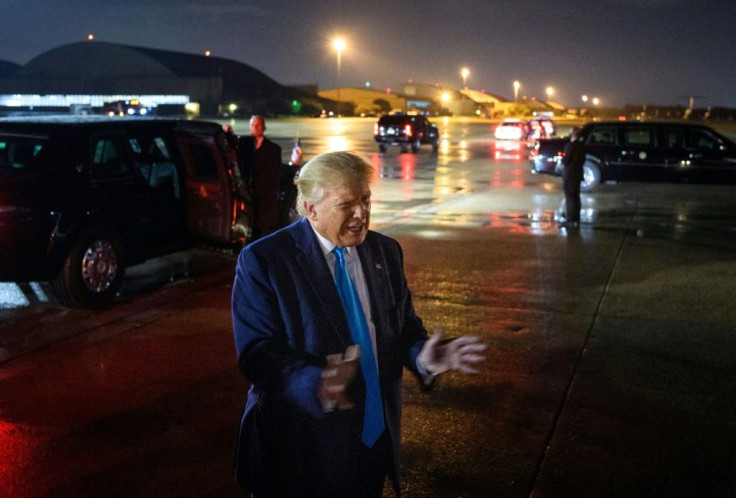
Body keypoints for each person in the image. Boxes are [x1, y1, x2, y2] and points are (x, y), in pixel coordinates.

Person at [231, 151, 486, 497]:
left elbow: (404, 328)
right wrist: (318, 382)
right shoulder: (265, 261)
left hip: (373, 442)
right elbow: (258, 354)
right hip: (300, 451)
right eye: (346, 204)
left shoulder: (385, 252)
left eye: (365, 200)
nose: (361, 213)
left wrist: (424, 356)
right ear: (311, 209)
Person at [238, 115, 283, 240]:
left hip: (265, 195)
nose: (255, 128)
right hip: (248, 193)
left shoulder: (273, 149)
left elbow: (274, 173)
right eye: (252, 125)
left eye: (258, 125)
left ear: (264, 128)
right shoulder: (244, 144)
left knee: (265, 227)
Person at [560, 126, 585, 228]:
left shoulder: (570, 146)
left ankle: (570, 219)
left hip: (569, 174)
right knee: (576, 196)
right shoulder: (582, 146)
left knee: (570, 197)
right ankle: (576, 219)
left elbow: (566, 161)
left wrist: (562, 159)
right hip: (578, 173)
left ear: (572, 134)